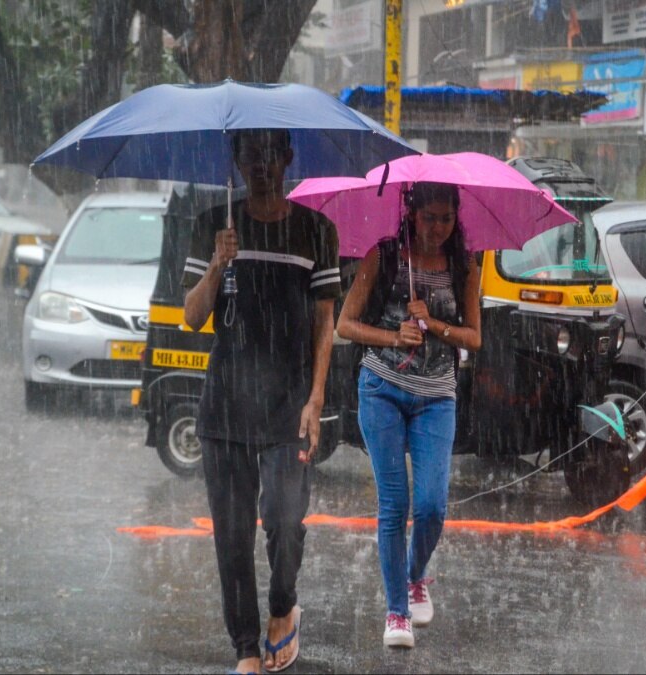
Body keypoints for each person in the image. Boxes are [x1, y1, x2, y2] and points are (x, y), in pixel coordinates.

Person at [182, 129, 340, 674]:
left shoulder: (315, 229)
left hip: (289, 404)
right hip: (224, 404)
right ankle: (245, 647)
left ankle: (283, 603)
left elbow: (326, 321)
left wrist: (316, 397)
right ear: (237, 161)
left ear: (288, 158)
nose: (262, 165)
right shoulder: (212, 224)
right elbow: (193, 316)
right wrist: (217, 265)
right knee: (231, 534)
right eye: (251, 155)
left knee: (283, 516)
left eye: (272, 154)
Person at [335, 182, 482, 649]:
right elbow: (345, 324)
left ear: (456, 217)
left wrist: (434, 324)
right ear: (410, 213)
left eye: (445, 218)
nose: (436, 228)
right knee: (394, 505)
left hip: (436, 397)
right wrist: (395, 337)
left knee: (433, 507)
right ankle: (397, 611)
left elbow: (474, 338)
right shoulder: (384, 256)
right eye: (428, 217)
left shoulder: (464, 265)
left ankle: (415, 575)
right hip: (381, 389)